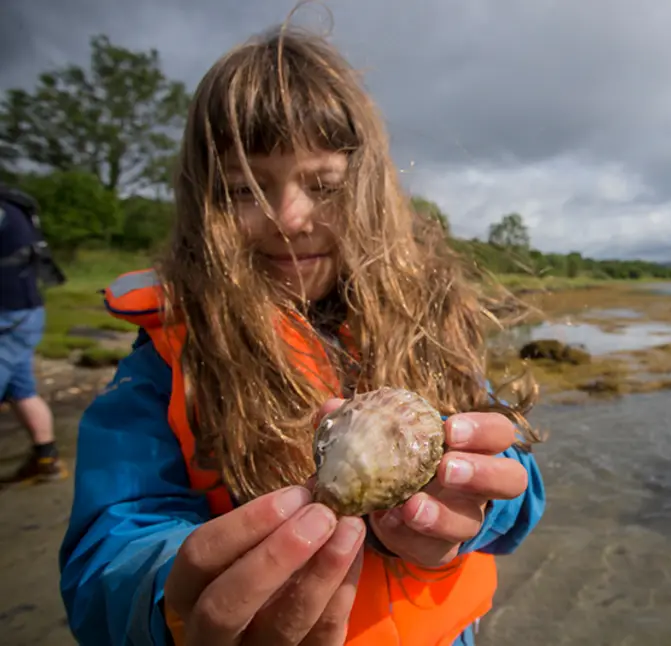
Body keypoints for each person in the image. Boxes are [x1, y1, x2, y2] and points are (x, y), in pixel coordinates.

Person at [58, 22, 546, 646]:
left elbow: (520, 486)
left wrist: (479, 504)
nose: (289, 218)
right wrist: (172, 592)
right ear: (201, 202)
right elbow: (110, 542)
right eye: (243, 189)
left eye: (325, 187)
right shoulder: (167, 362)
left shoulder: (431, 323)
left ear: (370, 193)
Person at [0, 185, 65, 483]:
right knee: (21, 389)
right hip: (25, 312)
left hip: (9, 315)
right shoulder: (14, 208)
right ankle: (46, 456)